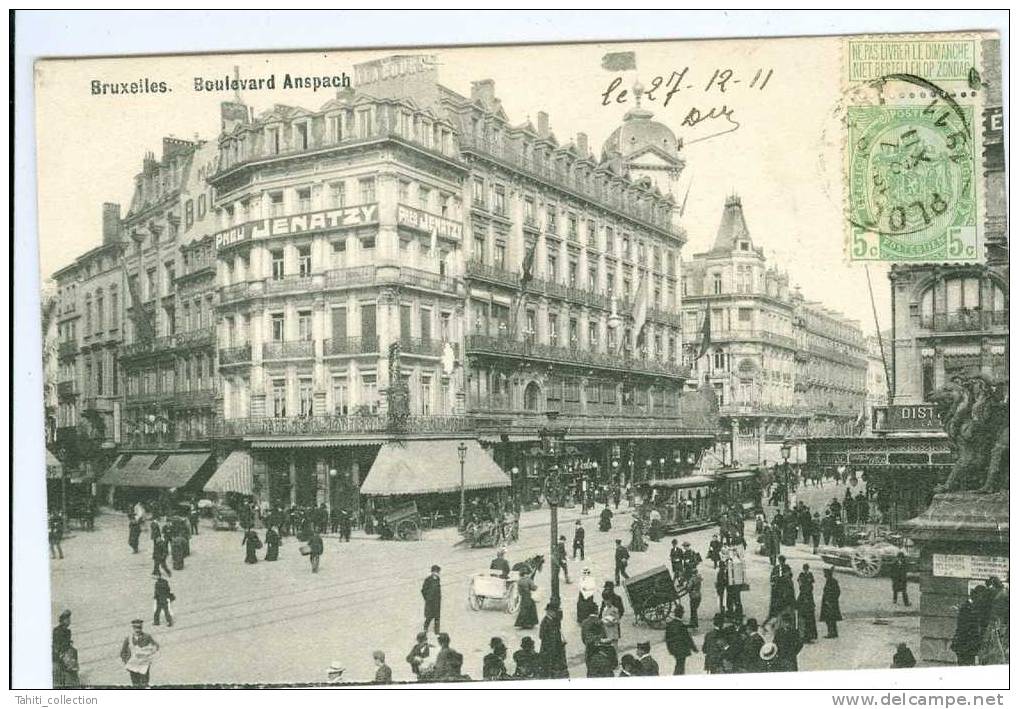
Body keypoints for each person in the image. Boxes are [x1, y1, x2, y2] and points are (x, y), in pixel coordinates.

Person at [120, 619, 159, 687]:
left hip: (144, 664)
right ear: (133, 628)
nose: (137, 630)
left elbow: (156, 646)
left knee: (144, 682)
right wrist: (126, 661)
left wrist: (150, 654)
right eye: (135, 628)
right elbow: (123, 651)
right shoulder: (129, 638)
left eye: (139, 628)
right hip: (133, 664)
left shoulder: (147, 636)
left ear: (141, 628)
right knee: (135, 683)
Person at [950, 587, 982, 665]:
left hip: (967, 645)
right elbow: (965, 628)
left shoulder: (970, 606)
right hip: (964, 644)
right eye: (980, 597)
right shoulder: (967, 608)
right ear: (976, 596)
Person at [664, 605, 698, 674]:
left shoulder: (670, 624)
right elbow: (688, 639)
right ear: (681, 614)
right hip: (681, 649)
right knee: (680, 666)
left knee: (679, 664)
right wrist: (694, 648)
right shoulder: (682, 626)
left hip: (673, 649)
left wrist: (670, 649)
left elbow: (667, 638)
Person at [538, 602, 568, 679]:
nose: (556, 613)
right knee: (548, 667)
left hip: (555, 648)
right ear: (549, 612)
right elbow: (541, 636)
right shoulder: (545, 622)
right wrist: (551, 642)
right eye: (555, 611)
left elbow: (560, 617)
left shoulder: (554, 620)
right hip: (548, 649)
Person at [581, 610, 613, 678]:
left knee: (591, 669)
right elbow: (604, 636)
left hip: (589, 649)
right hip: (600, 650)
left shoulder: (584, 622)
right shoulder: (600, 622)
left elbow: (583, 639)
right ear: (597, 612)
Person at [52, 610, 79, 688]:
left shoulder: (67, 631)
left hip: (64, 654)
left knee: (73, 651)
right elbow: (58, 644)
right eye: (67, 619)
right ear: (63, 620)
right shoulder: (58, 631)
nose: (69, 621)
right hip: (61, 654)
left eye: (69, 619)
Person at [797, 564, 818, 643]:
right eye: (805, 569)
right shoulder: (802, 575)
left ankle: (808, 636)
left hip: (808, 596)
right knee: (804, 617)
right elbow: (800, 583)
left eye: (806, 569)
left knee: (808, 617)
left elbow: (812, 582)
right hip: (804, 596)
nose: (806, 570)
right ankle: (804, 636)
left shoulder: (809, 574)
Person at [820, 567, 842, 638]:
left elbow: (837, 592)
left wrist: (831, 600)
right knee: (832, 619)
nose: (824, 575)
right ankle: (834, 632)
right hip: (831, 602)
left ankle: (831, 633)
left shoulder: (831, 581)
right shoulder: (831, 581)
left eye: (825, 574)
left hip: (829, 603)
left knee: (829, 619)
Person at [421, 565, 442, 634]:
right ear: (432, 572)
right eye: (436, 572)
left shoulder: (438, 579)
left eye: (438, 572)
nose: (437, 573)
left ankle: (437, 631)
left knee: (437, 617)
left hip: (437, 601)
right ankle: (425, 627)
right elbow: (423, 590)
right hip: (430, 601)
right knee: (429, 616)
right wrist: (427, 598)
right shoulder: (428, 579)